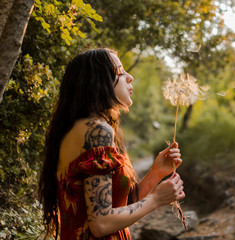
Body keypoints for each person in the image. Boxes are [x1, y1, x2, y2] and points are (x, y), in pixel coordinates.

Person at [39, 48, 185, 239]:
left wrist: (156, 173)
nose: (130, 77)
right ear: (97, 81)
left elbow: (118, 205)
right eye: (119, 72)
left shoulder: (79, 129)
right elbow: (101, 222)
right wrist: (156, 199)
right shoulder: (96, 131)